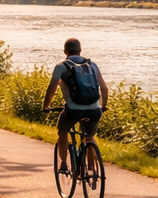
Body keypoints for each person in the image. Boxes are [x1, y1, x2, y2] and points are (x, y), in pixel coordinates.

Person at [42, 38, 109, 174]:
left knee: (63, 131)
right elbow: (104, 88)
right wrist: (103, 106)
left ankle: (63, 164)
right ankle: (91, 169)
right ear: (80, 50)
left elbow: (51, 89)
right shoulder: (92, 65)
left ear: (65, 51)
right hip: (94, 111)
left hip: (73, 111)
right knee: (89, 136)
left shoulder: (61, 67)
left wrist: (46, 106)